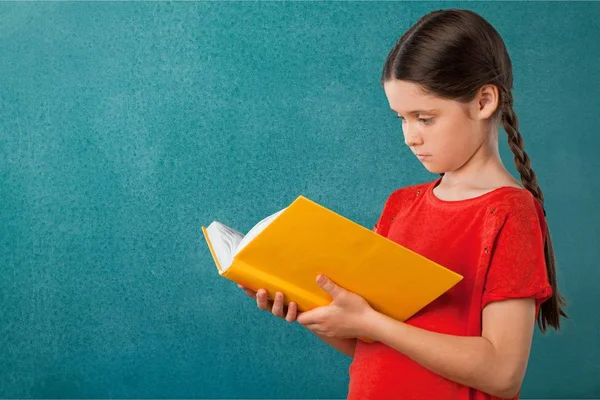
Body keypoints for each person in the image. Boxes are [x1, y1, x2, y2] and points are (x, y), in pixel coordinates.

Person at [238, 8, 567, 400]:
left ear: (483, 101)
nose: (410, 137)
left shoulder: (510, 213)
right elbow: (372, 345)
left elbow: (502, 372)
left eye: (424, 118)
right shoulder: (400, 205)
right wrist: (309, 310)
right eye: (401, 119)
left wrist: (373, 324)